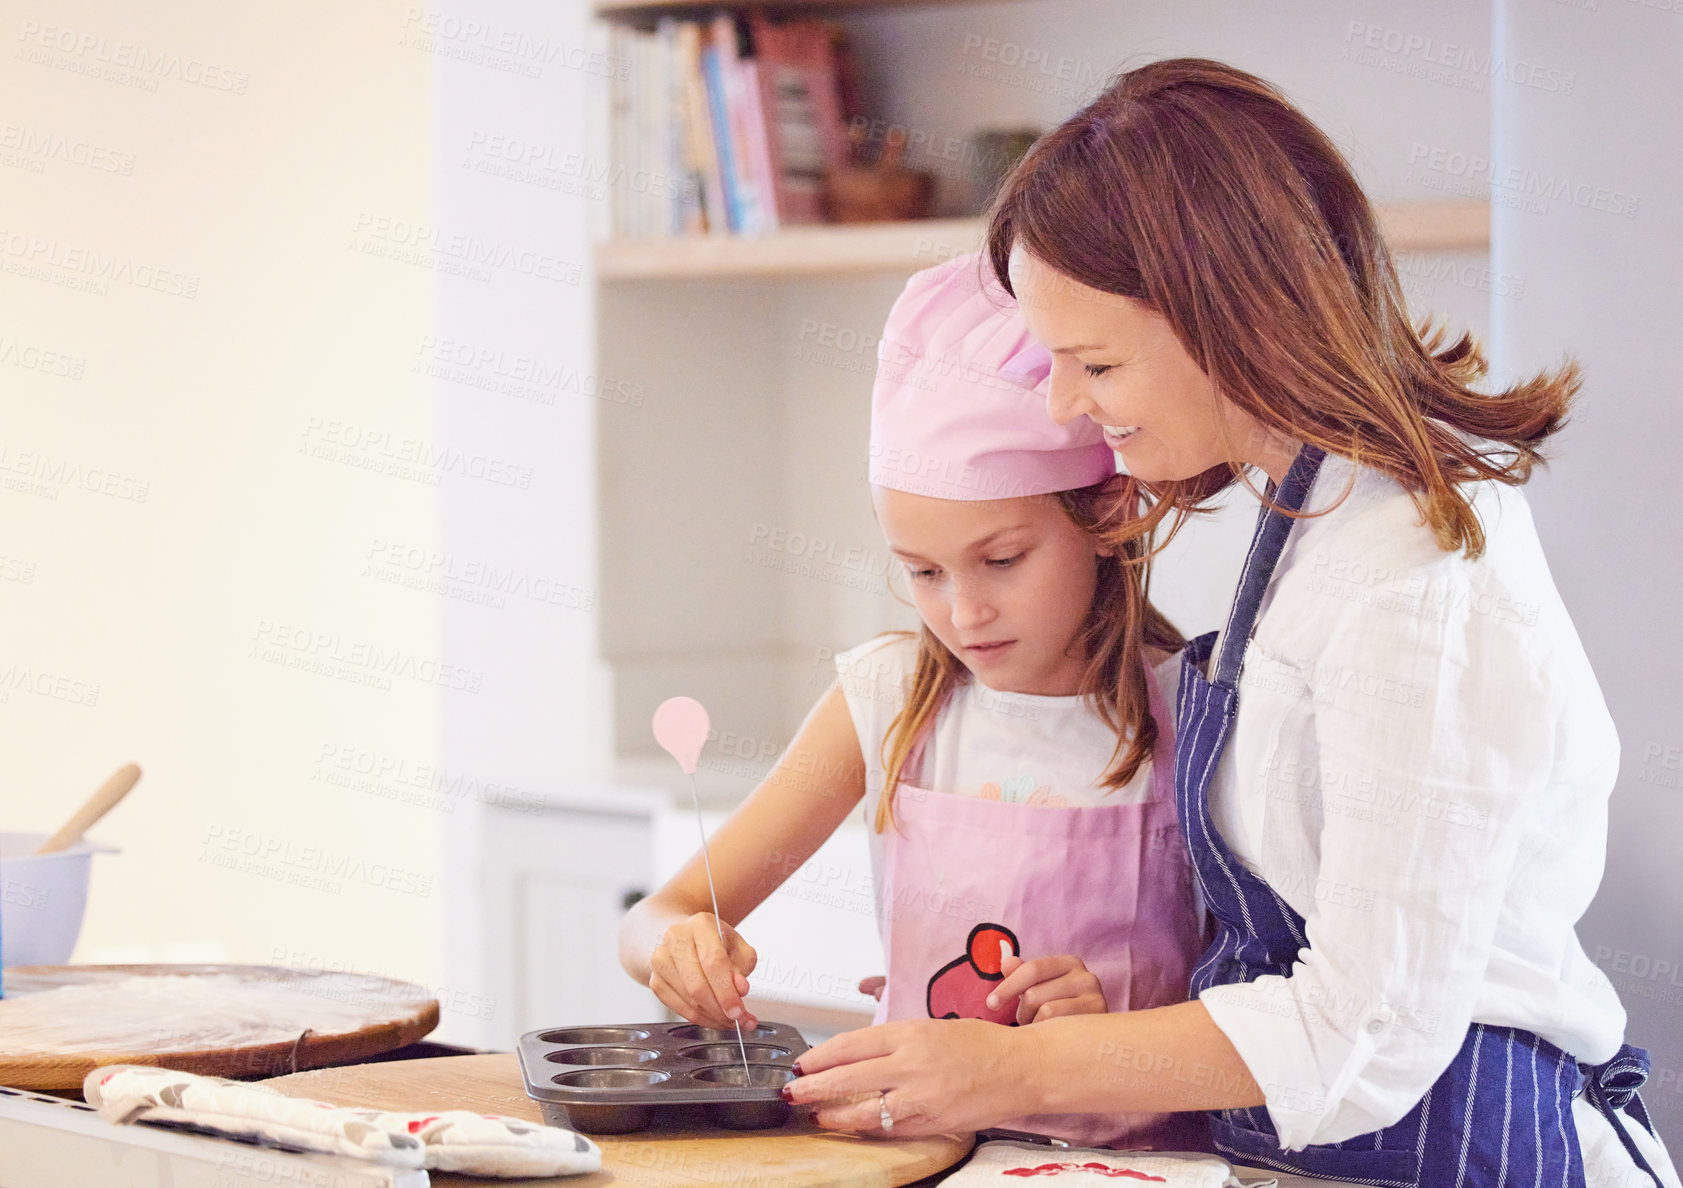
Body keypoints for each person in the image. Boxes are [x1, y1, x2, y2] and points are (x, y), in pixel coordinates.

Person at [785, 58, 1681, 1188]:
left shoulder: (1413, 583)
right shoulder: (1309, 513)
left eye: (1095, 361)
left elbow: (1368, 1032)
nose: (1066, 403)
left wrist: (1009, 1073)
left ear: (1230, 316)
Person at [618, 252, 1208, 1148]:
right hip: (916, 1154)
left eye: (1002, 560)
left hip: (1131, 1161)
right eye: (922, 572)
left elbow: (1274, 1006)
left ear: (1110, 514)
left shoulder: (1194, 711)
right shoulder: (890, 698)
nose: (962, 614)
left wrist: (1108, 1018)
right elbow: (656, 915)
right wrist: (676, 951)